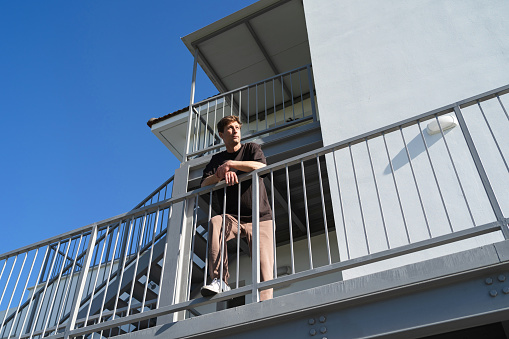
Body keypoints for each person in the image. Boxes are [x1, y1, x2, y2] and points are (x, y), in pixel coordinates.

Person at [200, 115, 274, 301]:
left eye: (237, 128)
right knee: (216, 222)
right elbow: (203, 184)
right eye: (230, 129)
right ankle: (220, 280)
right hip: (233, 217)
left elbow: (261, 166)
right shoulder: (217, 159)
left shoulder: (251, 148)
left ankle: (265, 305)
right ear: (221, 135)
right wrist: (220, 174)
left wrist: (232, 165)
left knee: (265, 269)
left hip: (260, 217)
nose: (235, 131)